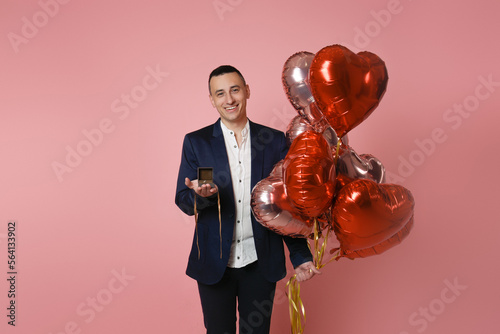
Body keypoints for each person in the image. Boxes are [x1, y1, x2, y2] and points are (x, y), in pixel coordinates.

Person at [175, 65, 320, 334]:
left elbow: (285, 205)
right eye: (220, 93)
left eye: (234, 90)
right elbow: (183, 200)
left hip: (260, 262)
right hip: (213, 263)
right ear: (212, 100)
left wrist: (300, 256)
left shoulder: (275, 142)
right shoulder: (197, 142)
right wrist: (201, 197)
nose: (229, 99)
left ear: (247, 91)